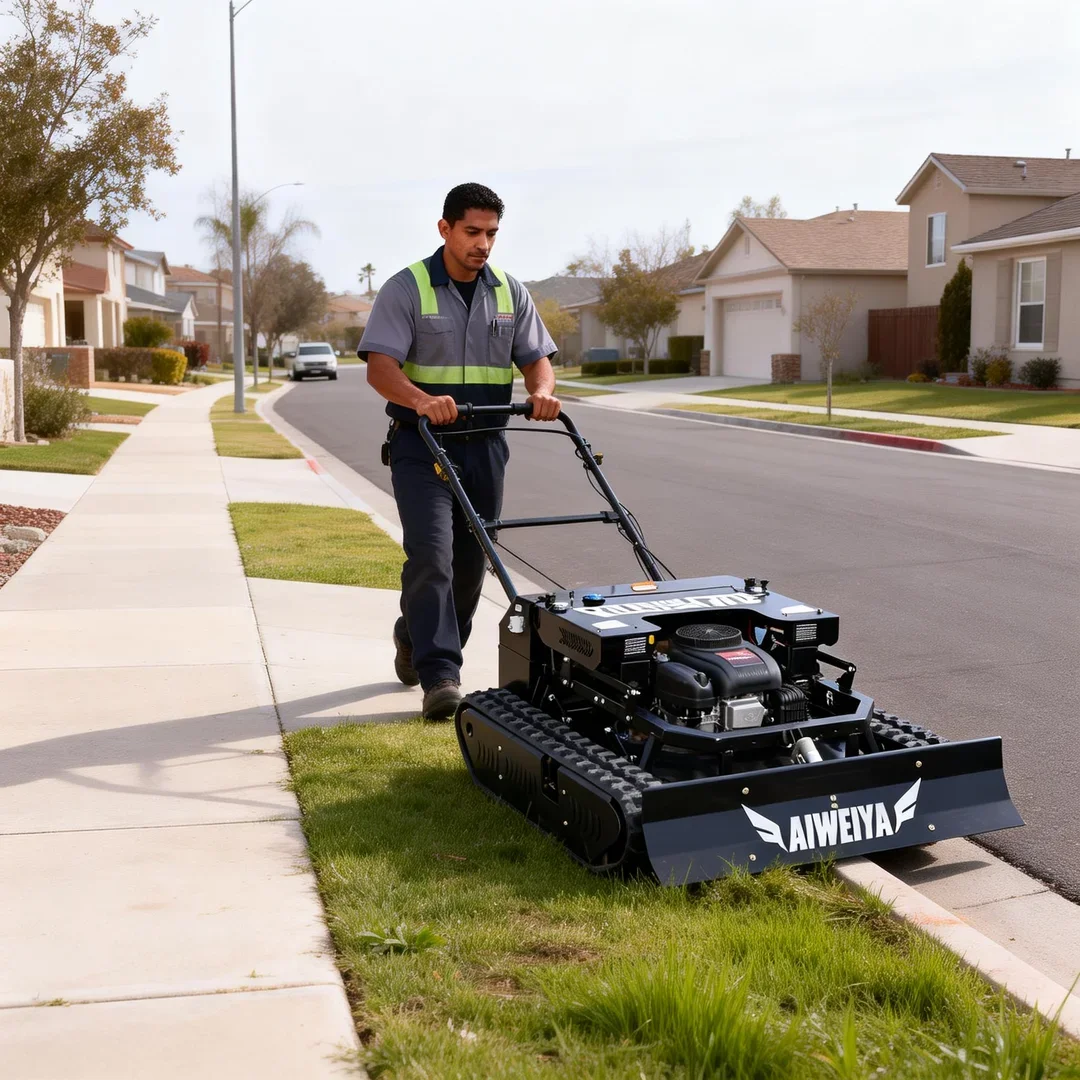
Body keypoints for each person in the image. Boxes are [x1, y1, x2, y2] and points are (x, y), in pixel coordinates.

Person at [359, 183, 561, 721]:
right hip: (421, 446)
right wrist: (422, 401)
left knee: (473, 566)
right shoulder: (408, 288)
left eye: (491, 233)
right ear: (445, 228)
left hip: (486, 448)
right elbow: (380, 366)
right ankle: (441, 675)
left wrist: (541, 392)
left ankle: (415, 635)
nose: (483, 244)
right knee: (431, 556)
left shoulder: (509, 292)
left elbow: (537, 357)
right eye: (472, 232)